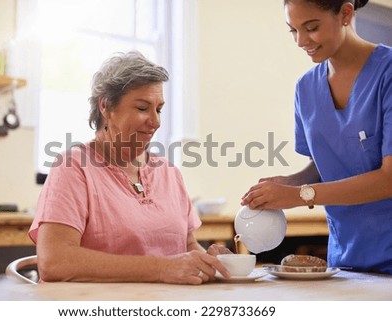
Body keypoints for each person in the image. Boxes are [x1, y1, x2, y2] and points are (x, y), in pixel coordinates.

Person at [29, 51, 231, 284]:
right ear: (106, 106)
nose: (155, 122)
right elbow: (55, 262)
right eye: (143, 108)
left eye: (159, 109)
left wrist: (207, 261)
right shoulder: (74, 167)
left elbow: (186, 246)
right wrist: (161, 268)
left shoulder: (168, 172)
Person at [241, 0, 392, 274]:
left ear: (345, 14)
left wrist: (299, 195)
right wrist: (290, 183)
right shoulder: (306, 89)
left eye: (311, 27)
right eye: (293, 30)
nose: (301, 41)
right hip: (347, 257)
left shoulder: (388, 74)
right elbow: (328, 164)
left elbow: (389, 179)